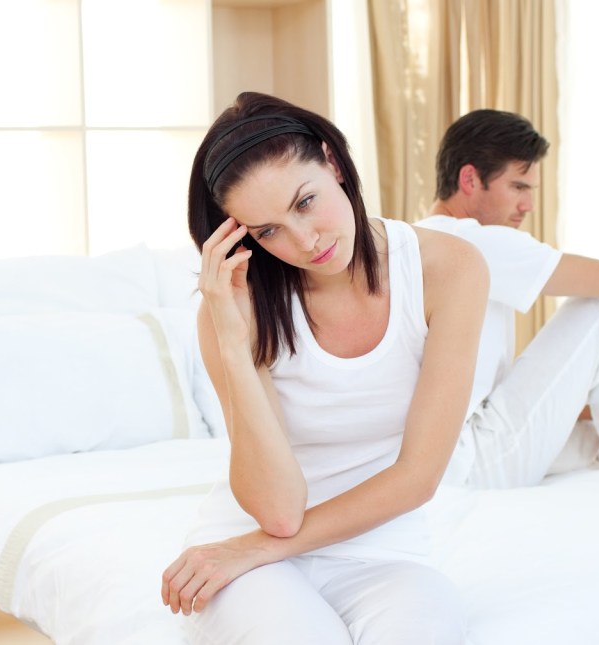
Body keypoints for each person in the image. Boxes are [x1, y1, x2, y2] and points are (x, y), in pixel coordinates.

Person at [160, 91, 488, 644]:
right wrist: (234, 345)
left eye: (306, 202)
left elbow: (417, 478)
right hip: (250, 550)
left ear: (332, 162)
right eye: (267, 231)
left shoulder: (448, 269)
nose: (304, 241)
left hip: (380, 553)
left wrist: (252, 549)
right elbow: (279, 513)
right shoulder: (237, 310)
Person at [417, 108, 599, 489]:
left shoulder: (421, 237)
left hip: (450, 455)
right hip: (468, 462)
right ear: (469, 179)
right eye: (518, 187)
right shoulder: (473, 243)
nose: (528, 206)